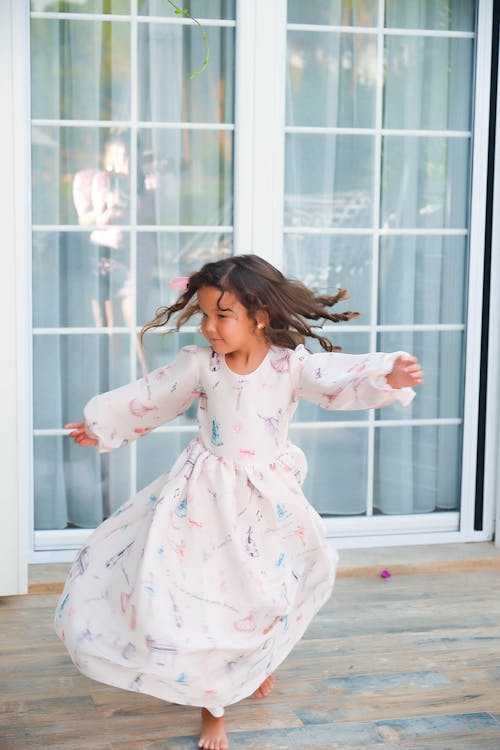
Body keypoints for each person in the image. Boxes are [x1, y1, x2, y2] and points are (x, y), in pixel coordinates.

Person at [56, 254, 423, 750]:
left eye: (221, 316)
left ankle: (254, 664)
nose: (209, 327)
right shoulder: (201, 365)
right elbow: (151, 396)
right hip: (202, 497)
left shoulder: (289, 366)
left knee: (267, 590)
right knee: (210, 596)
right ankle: (213, 707)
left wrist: (387, 376)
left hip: (266, 499)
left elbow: (338, 380)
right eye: (204, 314)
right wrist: (101, 425)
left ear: (260, 317)